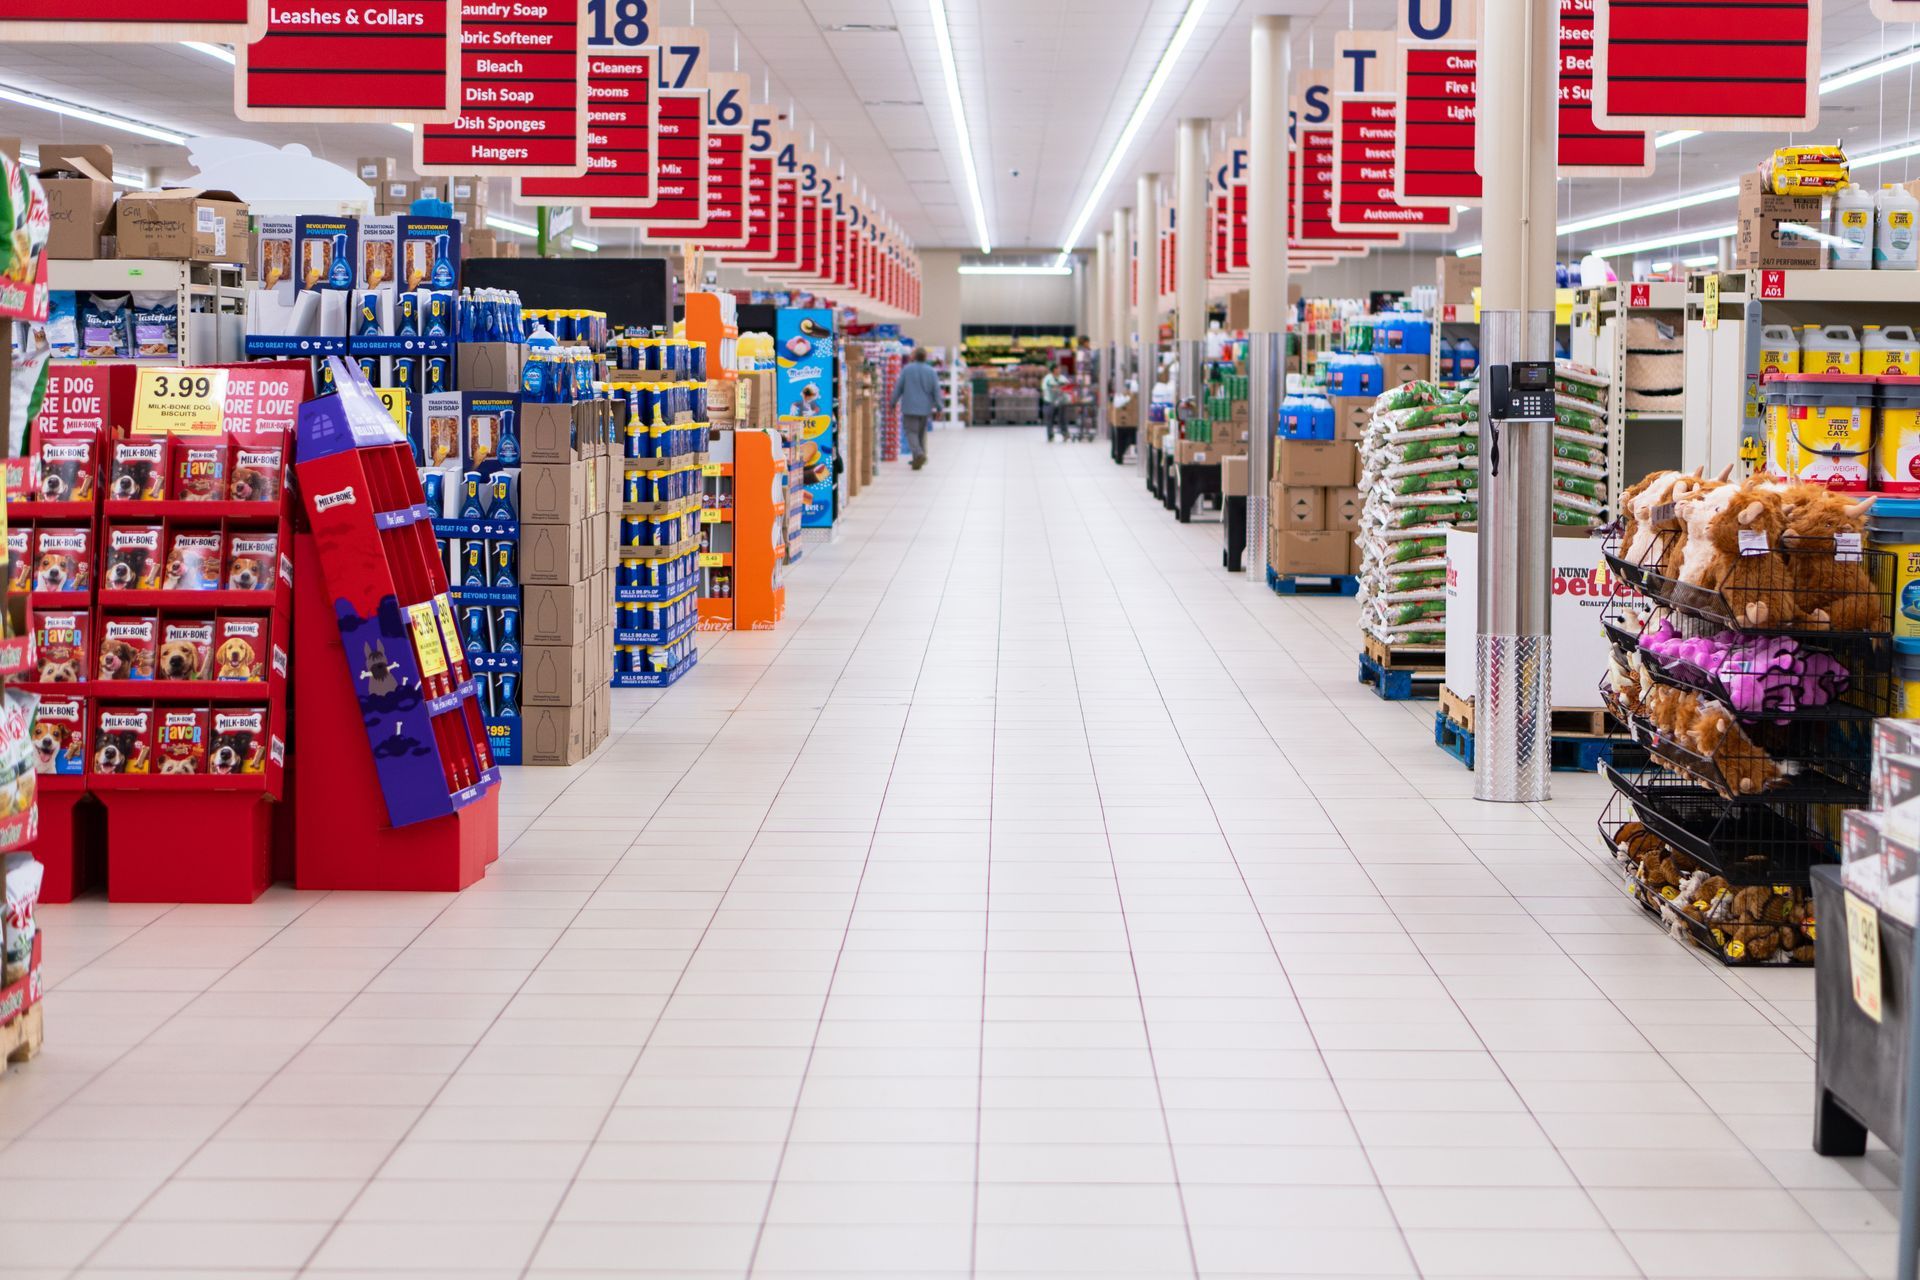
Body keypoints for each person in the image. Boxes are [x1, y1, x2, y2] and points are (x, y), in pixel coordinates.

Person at [891, 347, 942, 471]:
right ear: (925, 357)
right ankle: (917, 460)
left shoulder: (907, 369)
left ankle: (919, 454)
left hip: (909, 407)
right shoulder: (931, 371)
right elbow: (936, 390)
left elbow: (898, 387)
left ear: (914, 357)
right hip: (925, 408)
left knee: (911, 432)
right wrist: (939, 407)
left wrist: (892, 402)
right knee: (920, 434)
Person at [1041, 363, 1068, 441]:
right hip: (1049, 401)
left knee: (1062, 418)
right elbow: (1044, 389)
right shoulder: (1047, 378)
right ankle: (1050, 435)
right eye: (1058, 368)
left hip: (1061, 401)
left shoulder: (1063, 378)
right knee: (1050, 419)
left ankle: (1065, 433)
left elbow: (1068, 386)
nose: (1060, 370)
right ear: (1054, 370)